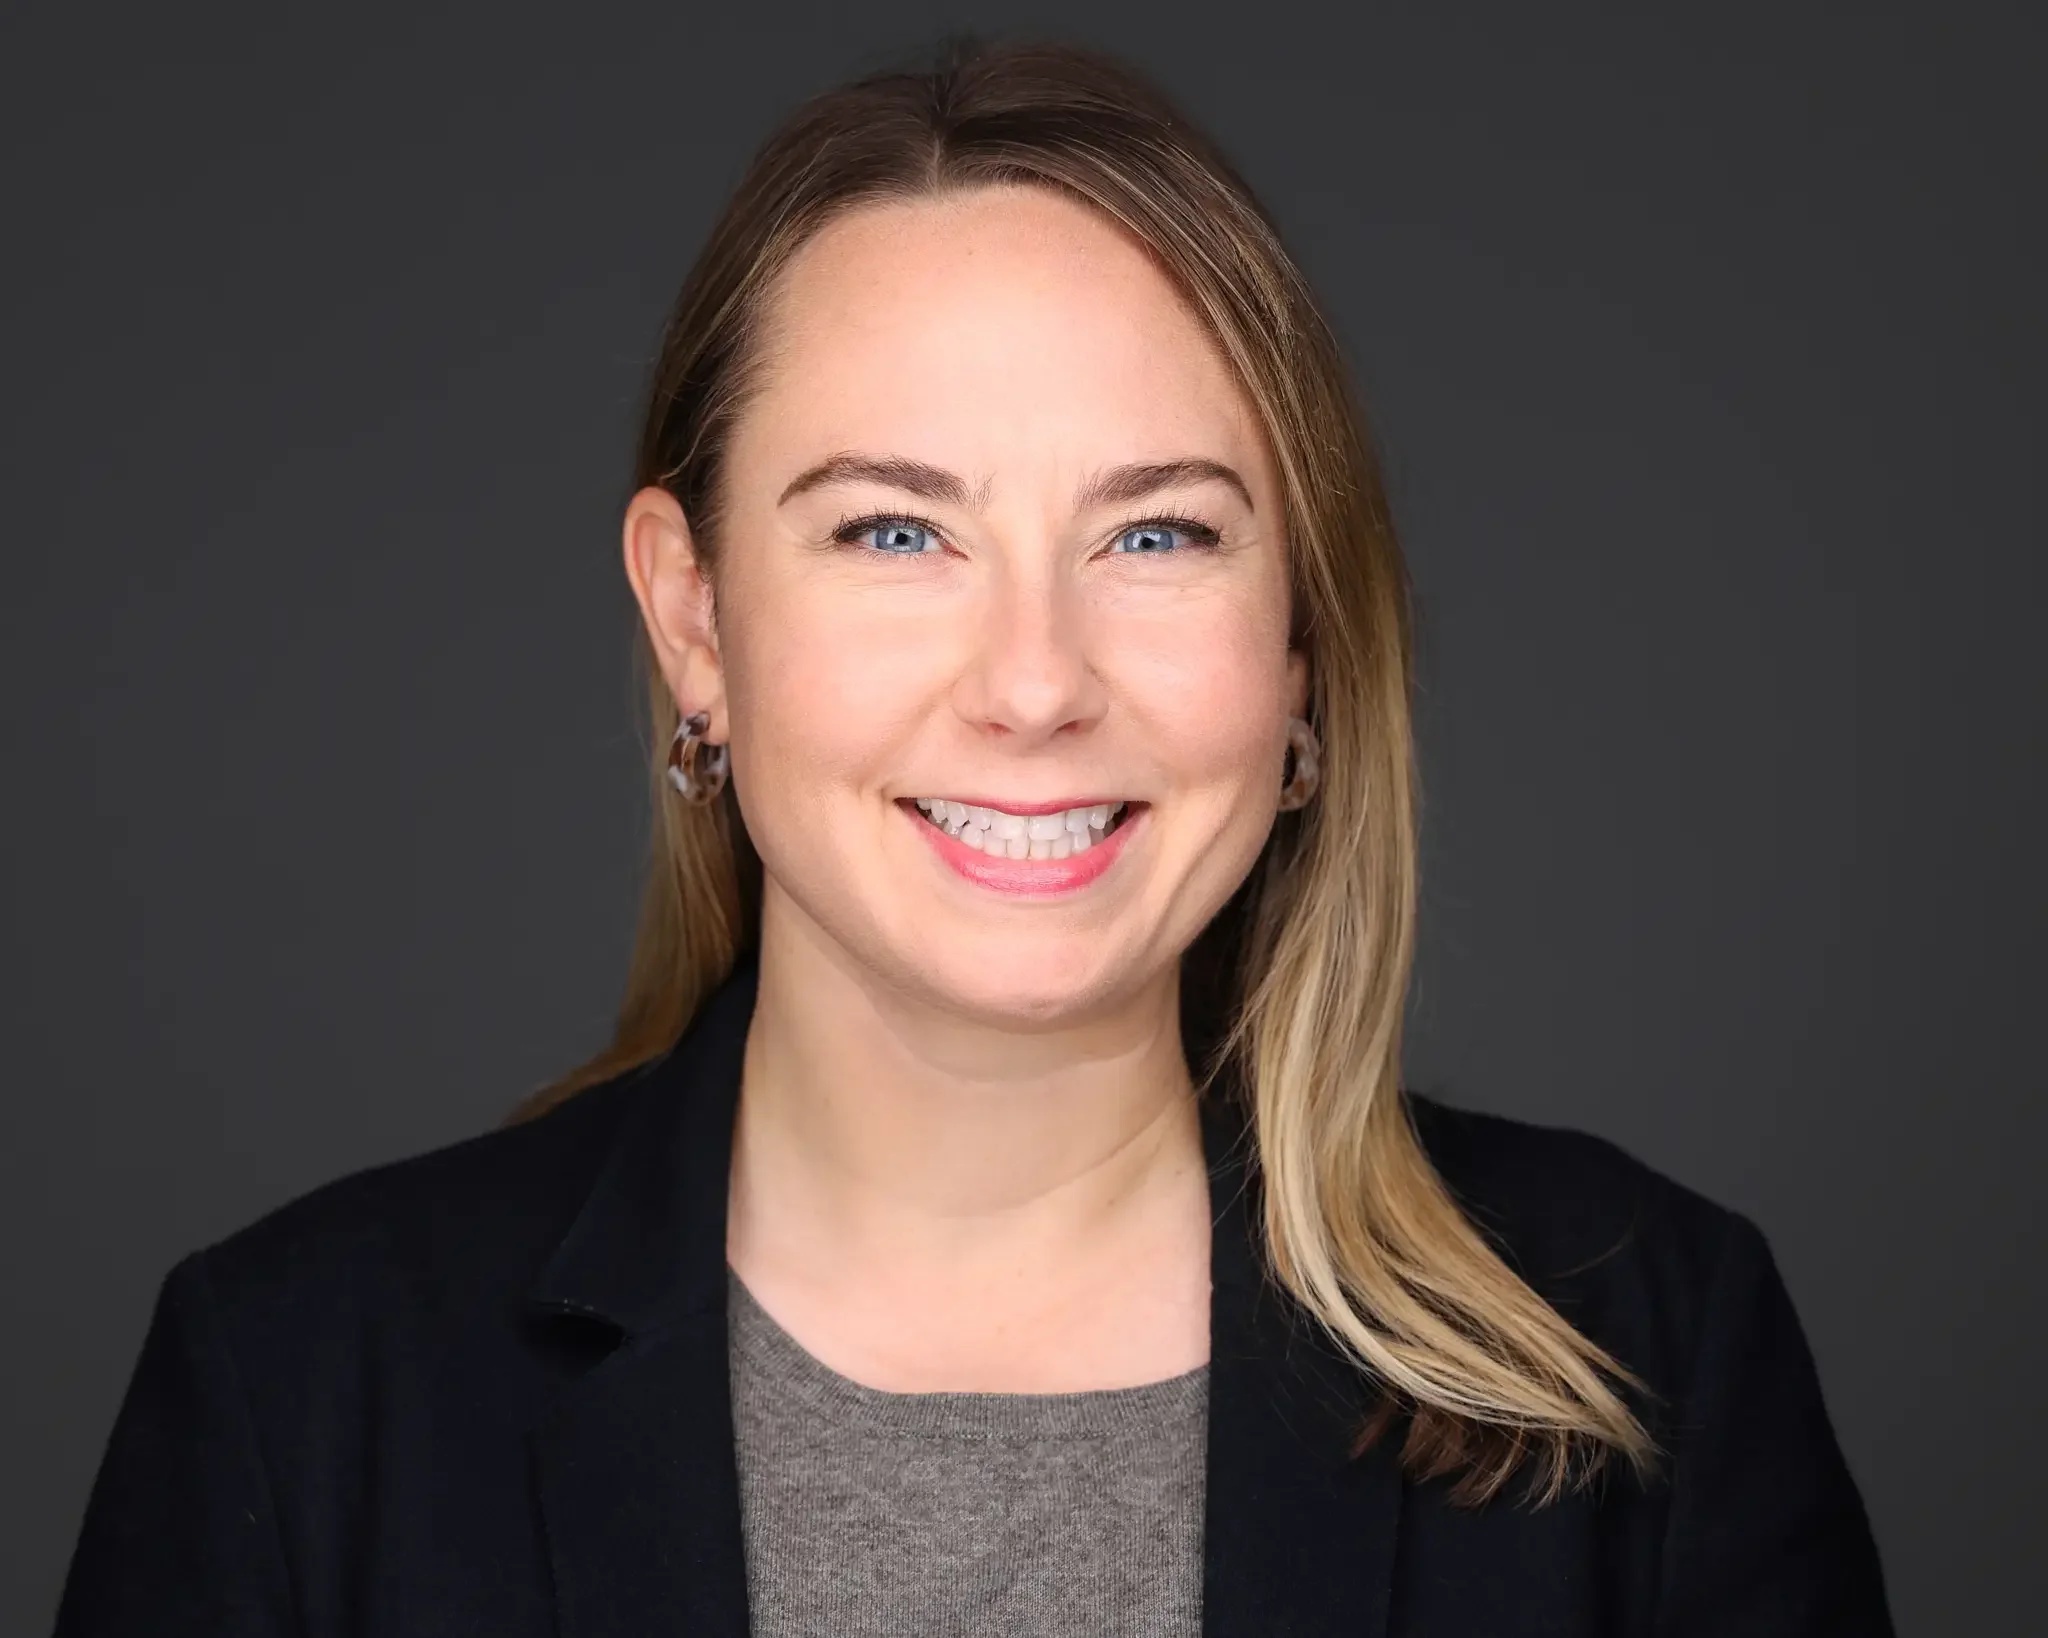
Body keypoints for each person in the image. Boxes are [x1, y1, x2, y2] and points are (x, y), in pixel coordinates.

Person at [55, 38, 1894, 1638]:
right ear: (696, 622)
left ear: (1305, 642)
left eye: (1158, 534)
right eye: (892, 532)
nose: (1033, 683)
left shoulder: (1646, 1354)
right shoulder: (297, 1395)